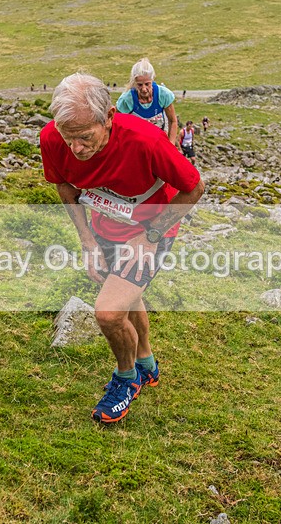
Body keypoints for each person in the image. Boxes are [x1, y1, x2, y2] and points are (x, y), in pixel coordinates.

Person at [40, 73, 203, 423]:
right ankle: (146, 362)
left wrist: (151, 235)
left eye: (85, 137)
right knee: (127, 297)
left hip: (151, 230)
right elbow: (66, 188)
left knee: (109, 313)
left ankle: (126, 379)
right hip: (105, 229)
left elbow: (195, 188)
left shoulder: (147, 141)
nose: (76, 149)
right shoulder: (54, 138)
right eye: (69, 138)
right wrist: (87, 242)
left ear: (110, 116)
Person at [115, 58, 179, 145]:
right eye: (140, 85)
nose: (144, 89)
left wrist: (171, 145)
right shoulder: (127, 100)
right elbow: (116, 124)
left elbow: (173, 121)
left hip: (159, 139)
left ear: (152, 80)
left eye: (147, 84)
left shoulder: (163, 95)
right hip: (136, 143)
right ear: (134, 83)